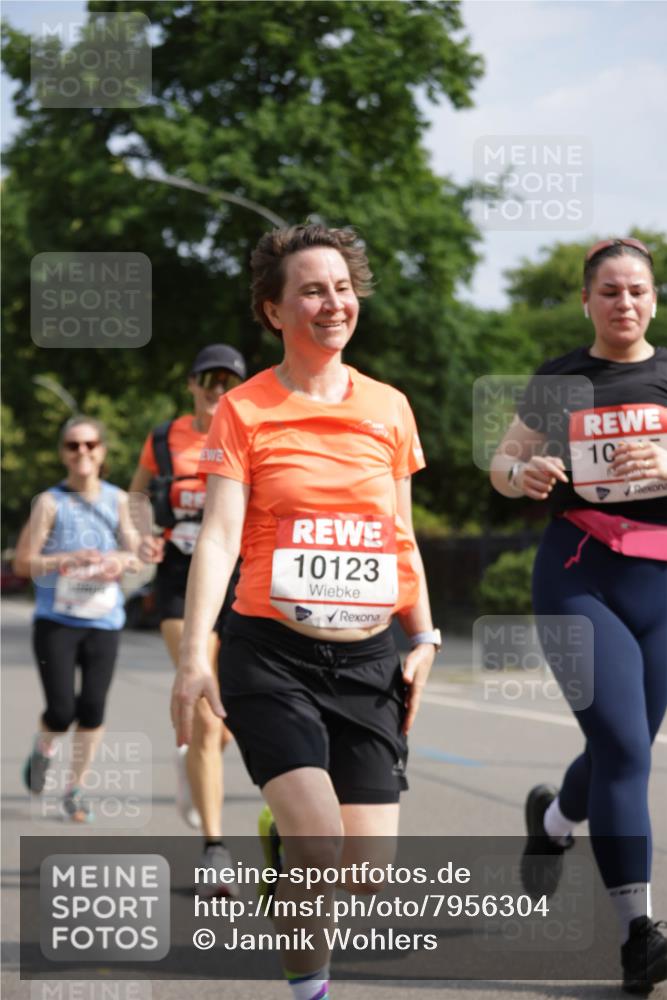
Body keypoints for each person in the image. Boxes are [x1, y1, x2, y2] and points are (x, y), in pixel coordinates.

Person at [171, 223, 440, 1000]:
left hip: (367, 658)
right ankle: (308, 991)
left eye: (342, 288)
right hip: (272, 653)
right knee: (320, 849)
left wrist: (421, 632)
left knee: (364, 880)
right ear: (274, 310)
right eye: (312, 290)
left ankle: (279, 842)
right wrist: (195, 656)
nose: (333, 303)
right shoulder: (246, 410)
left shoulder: (389, 408)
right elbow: (218, 538)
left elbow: (401, 534)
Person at [490, 237, 667, 995]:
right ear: (586, 301)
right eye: (608, 292)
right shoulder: (560, 378)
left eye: (635, 290)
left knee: (618, 747)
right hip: (578, 575)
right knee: (626, 748)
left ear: (652, 298)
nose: (622, 303)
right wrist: (521, 472)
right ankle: (639, 935)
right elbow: (500, 465)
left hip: (662, 581)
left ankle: (557, 823)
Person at [129, 343, 247, 892]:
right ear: (192, 384)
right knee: (205, 710)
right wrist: (139, 536)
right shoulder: (162, 440)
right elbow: (134, 497)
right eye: (210, 379)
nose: (218, 389)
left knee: (221, 725)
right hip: (180, 585)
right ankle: (214, 850)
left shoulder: (249, 431)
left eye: (230, 380)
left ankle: (194, 766)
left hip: (241, 584)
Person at [14, 416, 141, 822]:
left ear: (102, 451)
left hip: (104, 620)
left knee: (93, 709)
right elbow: (22, 563)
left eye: (89, 444)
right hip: (57, 621)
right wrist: (67, 559)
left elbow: (136, 555)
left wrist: (115, 561)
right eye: (73, 445)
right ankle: (43, 750)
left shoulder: (119, 501)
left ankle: (75, 788)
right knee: (61, 710)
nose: (82, 451)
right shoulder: (50, 503)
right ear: (63, 453)